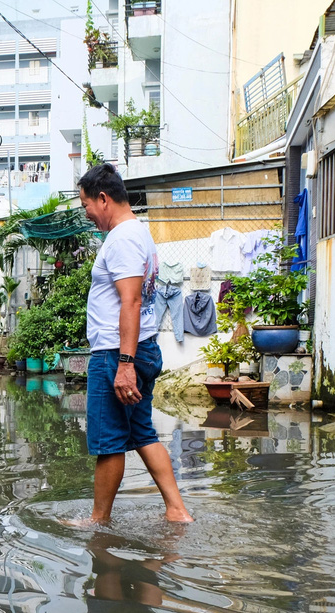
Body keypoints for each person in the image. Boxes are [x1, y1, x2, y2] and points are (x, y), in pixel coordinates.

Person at [78, 163, 193, 524]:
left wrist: (124, 365)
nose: (87, 215)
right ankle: (176, 510)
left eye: (87, 206)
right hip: (137, 347)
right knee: (142, 432)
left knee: (108, 441)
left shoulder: (124, 238)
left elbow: (131, 301)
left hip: (118, 353)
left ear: (103, 198)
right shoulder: (137, 234)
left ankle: (98, 522)